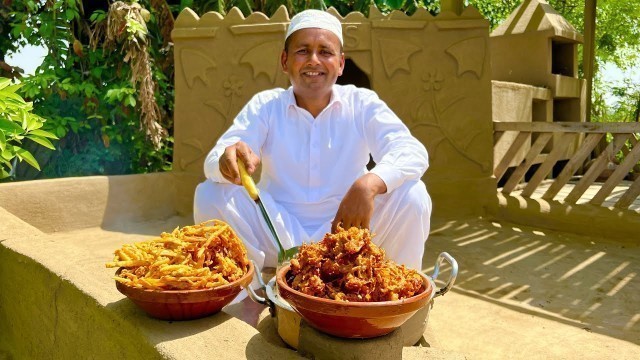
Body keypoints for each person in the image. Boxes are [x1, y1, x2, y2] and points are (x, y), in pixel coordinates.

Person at [194, 9, 431, 271]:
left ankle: (395, 296)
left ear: (341, 64)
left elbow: (412, 151)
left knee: (413, 195)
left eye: (325, 52)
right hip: (276, 234)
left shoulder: (361, 103)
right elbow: (214, 161)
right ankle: (248, 291)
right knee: (209, 193)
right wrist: (229, 159)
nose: (314, 61)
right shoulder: (266, 105)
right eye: (303, 51)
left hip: (347, 231)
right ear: (285, 61)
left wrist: (369, 184)